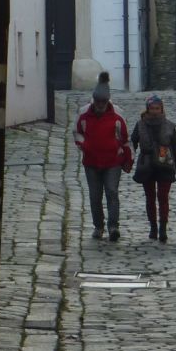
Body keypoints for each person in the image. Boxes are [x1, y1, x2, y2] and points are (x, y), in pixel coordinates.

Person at [73, 72, 130, 242]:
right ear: (94, 100)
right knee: (95, 195)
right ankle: (98, 226)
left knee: (112, 192)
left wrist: (126, 157)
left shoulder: (117, 114)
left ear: (107, 101)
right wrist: (84, 145)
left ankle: (113, 226)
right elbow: (77, 133)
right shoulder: (84, 114)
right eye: (97, 102)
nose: (100, 105)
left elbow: (124, 137)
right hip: (91, 162)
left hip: (113, 161)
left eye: (103, 102)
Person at [131, 94, 176, 243]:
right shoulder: (140, 125)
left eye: (157, 108)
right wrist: (127, 162)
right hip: (146, 165)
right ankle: (153, 227)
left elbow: (175, 149)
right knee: (150, 198)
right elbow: (132, 144)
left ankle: (163, 228)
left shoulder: (169, 126)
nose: (155, 111)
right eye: (152, 108)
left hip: (165, 164)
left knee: (163, 197)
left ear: (161, 109)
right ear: (147, 109)